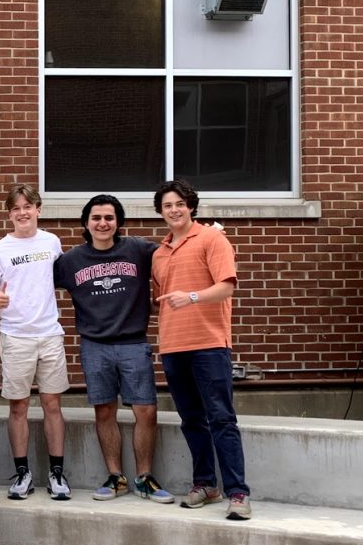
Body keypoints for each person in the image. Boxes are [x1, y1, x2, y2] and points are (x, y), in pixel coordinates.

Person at [54, 194, 173, 504]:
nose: (103, 223)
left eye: (109, 217)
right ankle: (115, 477)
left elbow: (176, 253)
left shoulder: (139, 250)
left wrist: (212, 235)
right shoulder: (70, 261)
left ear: (118, 222)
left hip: (133, 341)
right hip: (94, 344)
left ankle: (145, 477)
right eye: (96, 218)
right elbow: (35, 281)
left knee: (145, 410)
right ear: (85, 223)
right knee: (104, 410)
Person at [152, 179, 251, 520]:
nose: (174, 210)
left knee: (221, 419)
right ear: (161, 212)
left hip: (209, 345)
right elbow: (162, 298)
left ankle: (238, 493)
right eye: (167, 206)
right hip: (173, 347)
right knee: (192, 420)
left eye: (180, 203)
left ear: (191, 205)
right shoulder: (159, 253)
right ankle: (206, 484)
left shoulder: (212, 238)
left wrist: (191, 296)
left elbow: (226, 288)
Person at [0, 184, 70, 501]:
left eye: (27, 206)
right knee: (18, 406)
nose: (22, 213)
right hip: (16, 336)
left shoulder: (52, 242)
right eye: (16, 208)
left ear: (38, 210)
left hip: (49, 334)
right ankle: (22, 473)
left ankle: (57, 474)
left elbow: (60, 278)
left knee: (52, 405)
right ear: (9, 214)